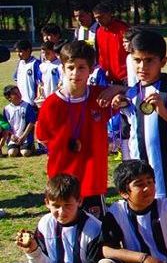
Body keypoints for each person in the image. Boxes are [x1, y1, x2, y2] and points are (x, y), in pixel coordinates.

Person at [36, 41, 123, 217]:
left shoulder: (100, 96)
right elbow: (42, 138)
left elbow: (133, 91)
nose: (75, 73)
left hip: (93, 181)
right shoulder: (51, 104)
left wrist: (116, 88)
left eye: (81, 67)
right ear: (63, 68)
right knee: (66, 227)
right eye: (70, 67)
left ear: (91, 70)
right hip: (63, 182)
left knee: (96, 229)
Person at [116, 29, 167, 200]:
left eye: (149, 60)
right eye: (137, 60)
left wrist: (163, 112)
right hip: (142, 183)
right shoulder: (131, 94)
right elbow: (130, 135)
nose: (142, 67)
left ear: (163, 61)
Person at [93, 2, 130, 84]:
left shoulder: (123, 29)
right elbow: (100, 54)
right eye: (96, 18)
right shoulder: (99, 31)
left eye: (101, 17)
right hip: (107, 77)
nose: (98, 20)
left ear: (109, 14)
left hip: (124, 77)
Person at [3, 85, 36, 157]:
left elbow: (31, 123)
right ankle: (18, 148)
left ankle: (29, 147)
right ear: (9, 98)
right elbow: (6, 125)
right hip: (14, 137)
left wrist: (23, 136)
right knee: (12, 153)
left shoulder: (27, 106)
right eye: (14, 93)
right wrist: (11, 135)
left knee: (25, 153)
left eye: (18, 92)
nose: (18, 94)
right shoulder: (6, 109)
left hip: (25, 136)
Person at [12, 39, 41, 108]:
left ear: (28, 50)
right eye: (17, 52)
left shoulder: (36, 64)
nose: (18, 54)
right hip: (21, 103)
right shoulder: (20, 63)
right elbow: (16, 78)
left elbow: (40, 84)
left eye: (20, 51)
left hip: (32, 103)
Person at [37, 41, 61, 106]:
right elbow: (40, 84)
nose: (45, 55)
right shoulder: (42, 66)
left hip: (58, 99)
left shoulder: (59, 65)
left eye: (48, 53)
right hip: (46, 99)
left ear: (54, 52)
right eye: (43, 53)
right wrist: (39, 97)